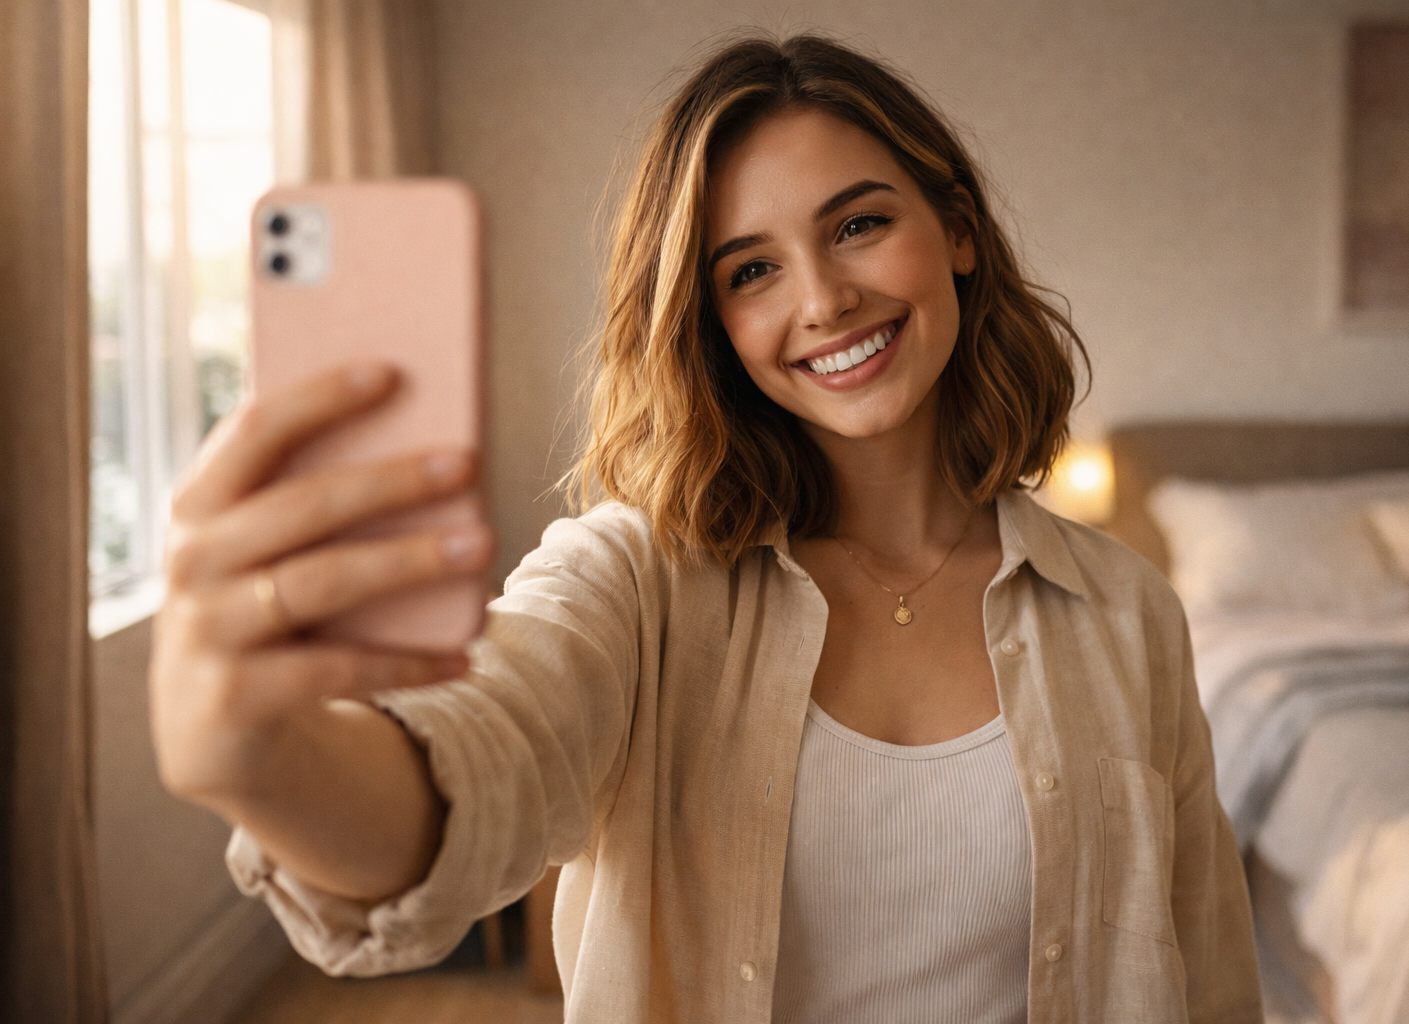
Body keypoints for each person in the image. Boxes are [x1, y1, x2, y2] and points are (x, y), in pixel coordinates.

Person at [150, 34, 1263, 1024]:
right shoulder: (632, 581)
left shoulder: (1127, 612)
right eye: (753, 271)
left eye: (861, 224)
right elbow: (474, 769)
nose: (823, 299)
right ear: (708, 320)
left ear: (958, 231)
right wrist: (263, 758)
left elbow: (1207, 974)